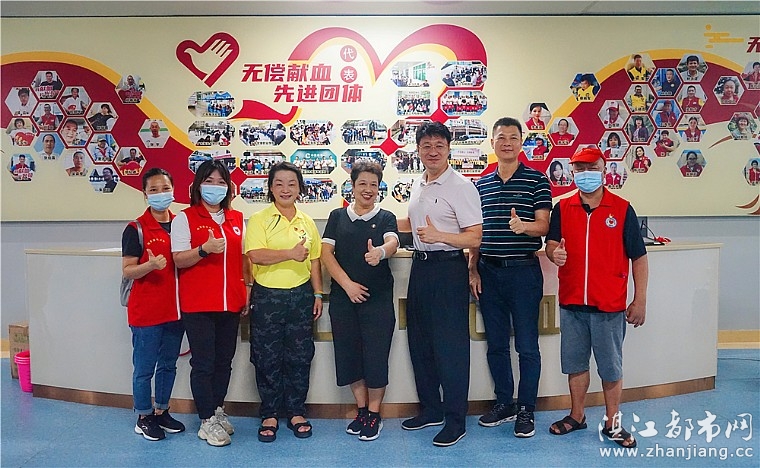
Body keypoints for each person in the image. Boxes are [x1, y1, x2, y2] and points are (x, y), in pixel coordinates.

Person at [545, 147, 648, 450]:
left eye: (592, 168)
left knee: (610, 367)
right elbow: (551, 244)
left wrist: (640, 300)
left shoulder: (622, 209)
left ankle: (612, 422)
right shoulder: (562, 208)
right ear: (572, 172)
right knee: (575, 364)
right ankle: (577, 415)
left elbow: (639, 258)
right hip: (572, 301)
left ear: (604, 170)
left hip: (609, 304)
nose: (585, 174)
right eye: (579, 169)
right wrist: (554, 253)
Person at [397, 122, 482, 447]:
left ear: (448, 149)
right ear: (418, 150)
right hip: (420, 269)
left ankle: (455, 420)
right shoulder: (419, 183)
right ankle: (431, 410)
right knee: (421, 344)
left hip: (448, 270)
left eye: (439, 145)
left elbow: (475, 237)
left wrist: (440, 236)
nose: (432, 151)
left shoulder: (461, 186)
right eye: (426, 146)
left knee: (451, 348)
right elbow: (413, 225)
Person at [468, 117, 551, 438]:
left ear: (521, 143)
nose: (507, 142)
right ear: (492, 143)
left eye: (513, 137)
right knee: (497, 345)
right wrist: (473, 268)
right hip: (488, 272)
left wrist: (524, 226)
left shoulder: (537, 180)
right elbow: (475, 233)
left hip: (524, 273)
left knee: (527, 346)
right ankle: (504, 402)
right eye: (501, 137)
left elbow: (543, 226)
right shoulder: (480, 185)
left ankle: (526, 408)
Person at [171, 159, 249, 447]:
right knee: (203, 363)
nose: (215, 187)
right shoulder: (185, 218)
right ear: (197, 186)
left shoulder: (237, 218)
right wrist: (203, 250)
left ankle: (217, 410)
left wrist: (247, 290)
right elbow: (179, 260)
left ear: (228, 187)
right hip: (199, 305)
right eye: (209, 181)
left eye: (220, 182)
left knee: (224, 362)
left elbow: (244, 259)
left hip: (231, 303)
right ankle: (206, 420)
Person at [320, 161, 399, 442]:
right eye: (362, 183)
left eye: (373, 185)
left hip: (377, 300)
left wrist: (380, 252)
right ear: (352, 186)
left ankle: (375, 414)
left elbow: (392, 242)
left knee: (376, 356)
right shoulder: (337, 216)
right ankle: (362, 410)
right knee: (349, 355)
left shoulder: (386, 217)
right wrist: (348, 285)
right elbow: (326, 253)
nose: (368, 189)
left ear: (379, 188)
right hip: (344, 298)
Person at [245, 162, 323, 443]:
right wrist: (289, 253)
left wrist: (318, 293)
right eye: (279, 183)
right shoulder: (259, 219)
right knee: (267, 357)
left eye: (292, 183)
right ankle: (269, 414)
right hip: (268, 296)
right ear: (270, 188)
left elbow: (315, 261)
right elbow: (255, 255)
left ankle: (296, 412)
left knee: (300, 356)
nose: (286, 189)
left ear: (300, 188)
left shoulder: (307, 222)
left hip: (301, 295)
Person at [121, 167, 186, 442]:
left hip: (176, 311)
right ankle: (143, 416)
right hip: (146, 312)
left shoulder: (182, 224)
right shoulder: (135, 228)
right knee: (144, 368)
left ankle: (161, 410)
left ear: (173, 190)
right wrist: (149, 265)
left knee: (168, 364)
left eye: (166, 188)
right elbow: (128, 270)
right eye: (154, 190)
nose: (161, 194)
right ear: (145, 194)